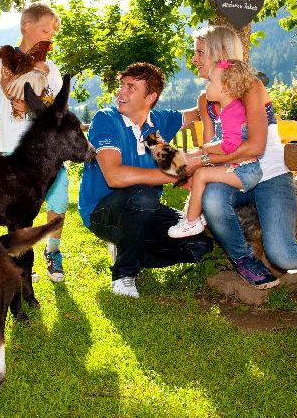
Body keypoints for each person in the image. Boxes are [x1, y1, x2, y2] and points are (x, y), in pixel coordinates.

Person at [186, 25, 297, 300]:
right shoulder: (206, 99)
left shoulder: (251, 87)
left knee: (282, 253)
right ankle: (245, 260)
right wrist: (201, 166)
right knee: (211, 198)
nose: (194, 59)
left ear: (219, 54)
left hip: (270, 176)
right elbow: (211, 148)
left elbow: (255, 147)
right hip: (236, 176)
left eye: (199, 52)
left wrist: (203, 159)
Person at [78, 62, 213, 298]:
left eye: (131, 87)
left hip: (145, 209)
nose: (121, 92)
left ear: (150, 97)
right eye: (122, 85)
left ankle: (130, 249)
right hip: (101, 210)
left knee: (199, 244)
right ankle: (124, 275)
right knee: (143, 194)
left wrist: (206, 95)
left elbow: (194, 116)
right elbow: (114, 176)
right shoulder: (106, 119)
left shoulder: (154, 128)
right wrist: (172, 174)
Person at [0, 2, 69, 282]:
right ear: (27, 26)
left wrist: (38, 105)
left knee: (58, 197)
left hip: (48, 148)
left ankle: (53, 251)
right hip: (15, 147)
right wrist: (27, 101)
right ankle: (21, 260)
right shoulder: (6, 59)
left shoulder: (53, 70)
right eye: (45, 29)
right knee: (18, 208)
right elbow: (11, 90)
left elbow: (58, 107)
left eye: (53, 32)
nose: (50, 36)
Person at [168, 59, 262, 238]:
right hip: (241, 167)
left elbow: (229, 145)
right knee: (200, 173)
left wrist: (205, 149)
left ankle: (191, 221)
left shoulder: (230, 113)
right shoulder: (232, 108)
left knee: (201, 175)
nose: (207, 85)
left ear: (225, 88)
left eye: (211, 81)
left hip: (245, 171)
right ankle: (201, 215)